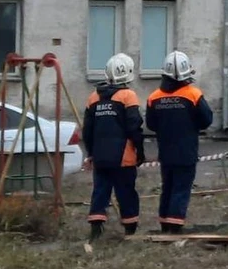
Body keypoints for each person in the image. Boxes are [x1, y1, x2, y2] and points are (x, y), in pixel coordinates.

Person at [146, 50, 213, 233]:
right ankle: (175, 226)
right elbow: (207, 119)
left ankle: (164, 223)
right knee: (181, 188)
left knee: (167, 187)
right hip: (187, 151)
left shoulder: (154, 97)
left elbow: (151, 124)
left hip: (165, 152)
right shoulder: (193, 94)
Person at [83, 53, 145, 241]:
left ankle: (96, 228)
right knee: (126, 192)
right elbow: (134, 126)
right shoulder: (128, 96)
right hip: (123, 157)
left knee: (100, 191)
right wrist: (140, 151)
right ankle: (130, 228)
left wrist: (91, 153)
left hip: (101, 156)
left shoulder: (93, 97)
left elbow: (88, 130)